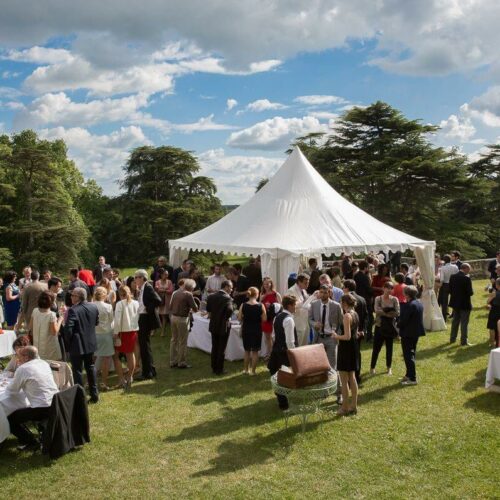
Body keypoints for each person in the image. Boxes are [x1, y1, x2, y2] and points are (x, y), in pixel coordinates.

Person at [5, 346, 59, 450]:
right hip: (56, 402)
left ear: (26, 357)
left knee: (9, 417)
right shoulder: (43, 363)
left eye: (19, 356)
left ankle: (29, 441)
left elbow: (11, 390)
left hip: (43, 408)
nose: (17, 359)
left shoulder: (23, 369)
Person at [65, 287, 99, 403]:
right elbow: (96, 322)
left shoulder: (73, 310)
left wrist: (67, 343)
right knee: (90, 367)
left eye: (73, 295)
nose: (71, 297)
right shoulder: (93, 306)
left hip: (77, 344)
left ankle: (80, 397)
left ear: (78, 297)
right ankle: (94, 394)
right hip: (90, 342)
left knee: (77, 370)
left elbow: (68, 330)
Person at [267, 295, 298, 410]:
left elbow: (274, 336)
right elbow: (290, 342)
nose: (296, 307)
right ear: (289, 306)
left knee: (276, 376)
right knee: (284, 378)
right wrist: (293, 357)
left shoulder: (277, 316)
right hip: (284, 354)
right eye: (295, 305)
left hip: (276, 351)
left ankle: (281, 399)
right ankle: (283, 404)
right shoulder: (289, 320)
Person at [333, 294, 360, 416]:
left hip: (346, 348)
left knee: (344, 380)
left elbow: (347, 336)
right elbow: (355, 333)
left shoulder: (347, 316)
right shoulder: (355, 314)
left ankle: (344, 408)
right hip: (354, 347)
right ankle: (353, 406)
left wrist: (336, 336)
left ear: (344, 303)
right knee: (352, 377)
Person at [134, 269, 162, 380]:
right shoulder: (143, 288)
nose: (135, 279)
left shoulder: (148, 287)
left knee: (144, 346)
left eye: (136, 277)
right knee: (144, 346)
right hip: (142, 318)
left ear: (142, 278)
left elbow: (158, 300)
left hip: (145, 319)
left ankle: (147, 373)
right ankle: (150, 370)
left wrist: (147, 308)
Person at [370, 281, 400, 376]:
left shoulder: (395, 299)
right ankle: (372, 367)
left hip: (390, 327)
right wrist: (388, 312)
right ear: (383, 288)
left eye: (391, 288)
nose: (389, 290)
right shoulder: (378, 298)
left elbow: (397, 313)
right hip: (379, 326)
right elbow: (376, 311)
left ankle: (389, 368)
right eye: (387, 287)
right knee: (376, 348)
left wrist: (384, 312)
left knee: (389, 348)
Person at [113, 286, 139, 390]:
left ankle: (122, 379)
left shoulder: (120, 303)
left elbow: (118, 320)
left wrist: (115, 333)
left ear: (120, 294)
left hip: (122, 332)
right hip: (132, 331)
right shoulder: (136, 303)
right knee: (130, 354)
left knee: (115, 356)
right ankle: (129, 377)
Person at [398, 286, 425, 385]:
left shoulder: (410, 305)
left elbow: (404, 320)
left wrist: (397, 324)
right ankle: (408, 374)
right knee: (410, 354)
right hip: (415, 333)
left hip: (408, 333)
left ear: (407, 294)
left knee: (408, 355)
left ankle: (412, 378)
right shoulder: (418, 303)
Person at [342, 279, 368, 384]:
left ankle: (350, 378)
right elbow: (366, 316)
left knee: (349, 355)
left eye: (343, 287)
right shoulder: (362, 299)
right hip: (359, 331)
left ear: (347, 288)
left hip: (350, 333)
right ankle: (357, 376)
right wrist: (363, 330)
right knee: (357, 353)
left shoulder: (346, 301)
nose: (342, 289)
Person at [206, 280, 233, 375]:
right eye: (230, 287)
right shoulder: (227, 298)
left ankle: (214, 367)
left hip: (214, 324)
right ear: (226, 287)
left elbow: (208, 309)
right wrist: (227, 317)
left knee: (215, 346)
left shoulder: (211, 296)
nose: (231, 289)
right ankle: (219, 369)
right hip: (223, 325)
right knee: (221, 348)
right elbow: (230, 310)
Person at [169, 278, 198, 369]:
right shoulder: (188, 294)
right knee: (182, 341)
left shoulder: (176, 292)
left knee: (174, 340)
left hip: (173, 317)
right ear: (191, 288)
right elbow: (195, 308)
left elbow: (170, 306)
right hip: (182, 319)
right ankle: (181, 362)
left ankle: (173, 361)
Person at [238, 287, 266, 375]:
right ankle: (253, 371)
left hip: (246, 329)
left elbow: (239, 318)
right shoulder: (261, 305)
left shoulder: (243, 305)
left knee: (246, 351)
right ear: (257, 295)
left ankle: (246, 370)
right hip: (257, 329)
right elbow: (265, 319)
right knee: (255, 351)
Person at [30, 291, 63, 361]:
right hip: (49, 346)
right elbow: (54, 332)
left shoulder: (35, 311)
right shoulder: (51, 315)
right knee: (51, 365)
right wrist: (60, 320)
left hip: (37, 343)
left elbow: (30, 327)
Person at [93, 286, 115, 391]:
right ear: (105, 295)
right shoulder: (108, 306)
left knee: (95, 359)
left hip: (94, 334)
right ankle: (104, 382)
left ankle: (91, 381)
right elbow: (111, 320)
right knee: (106, 359)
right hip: (105, 334)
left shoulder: (90, 305)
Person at [449, 263, 474, 346]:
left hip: (455, 303)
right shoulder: (466, 279)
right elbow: (470, 293)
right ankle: (464, 341)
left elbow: (450, 290)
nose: (469, 271)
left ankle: (452, 338)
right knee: (464, 322)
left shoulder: (452, 277)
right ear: (466, 268)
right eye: (469, 269)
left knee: (455, 321)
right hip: (464, 303)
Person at [286, 273, 312, 346]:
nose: (307, 285)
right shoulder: (291, 291)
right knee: (298, 345)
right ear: (299, 282)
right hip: (297, 321)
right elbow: (289, 306)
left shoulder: (304, 290)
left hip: (305, 321)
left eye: (308, 283)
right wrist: (304, 302)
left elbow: (307, 303)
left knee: (304, 344)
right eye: (305, 283)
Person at [260, 277, 282, 356]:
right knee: (267, 338)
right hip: (266, 318)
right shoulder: (262, 294)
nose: (266, 285)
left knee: (275, 337)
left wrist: (272, 306)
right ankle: (270, 354)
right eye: (264, 284)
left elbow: (281, 307)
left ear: (271, 284)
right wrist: (260, 300)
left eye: (268, 283)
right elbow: (259, 307)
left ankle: (276, 354)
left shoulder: (276, 294)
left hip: (274, 319)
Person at [354, 261, 373, 341]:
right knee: (369, 318)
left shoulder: (356, 275)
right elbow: (368, 289)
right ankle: (368, 335)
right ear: (365, 268)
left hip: (357, 298)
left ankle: (358, 333)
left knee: (359, 317)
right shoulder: (365, 277)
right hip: (365, 300)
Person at [437, 254, 459, 321]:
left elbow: (442, 279)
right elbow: (457, 276)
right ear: (450, 260)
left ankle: (444, 318)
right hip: (454, 285)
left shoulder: (443, 268)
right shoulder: (455, 266)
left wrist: (439, 285)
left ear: (444, 260)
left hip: (445, 285)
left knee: (444, 302)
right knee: (455, 300)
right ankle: (455, 316)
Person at [155, 268, 174, 337]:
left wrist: (163, 290)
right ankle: (162, 332)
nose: (166, 276)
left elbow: (171, 291)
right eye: (165, 274)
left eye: (167, 274)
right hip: (161, 302)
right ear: (161, 275)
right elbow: (156, 290)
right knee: (162, 317)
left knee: (170, 316)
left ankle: (173, 332)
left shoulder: (169, 282)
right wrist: (165, 290)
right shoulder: (157, 282)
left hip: (168, 302)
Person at [487, 278, 500, 347]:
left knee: (492, 327)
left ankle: (492, 343)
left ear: (497, 285)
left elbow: (488, 301)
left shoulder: (494, 293)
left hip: (495, 311)